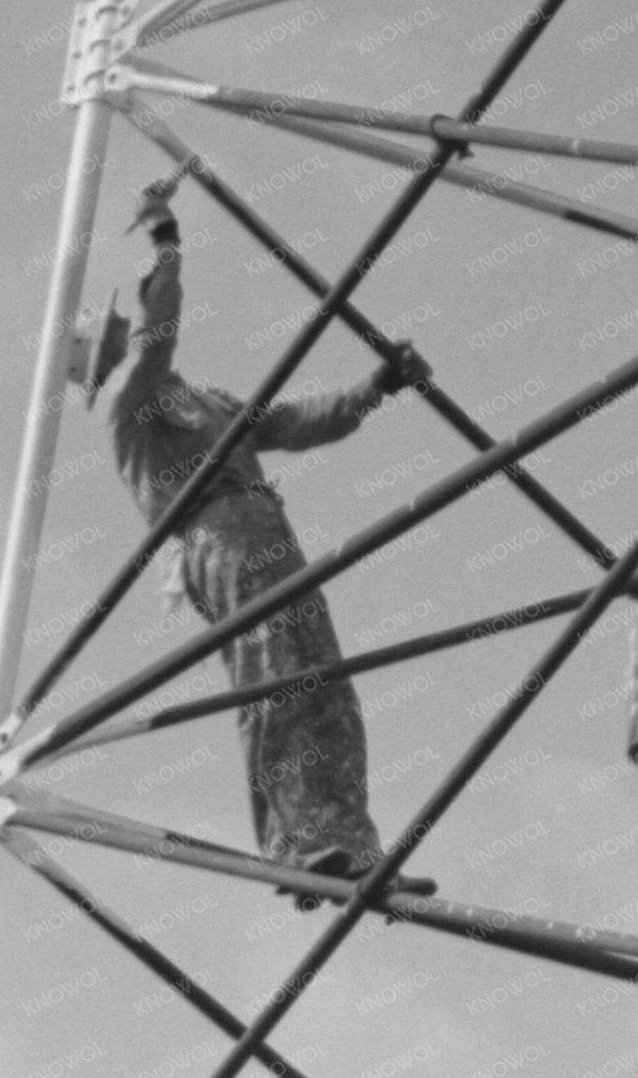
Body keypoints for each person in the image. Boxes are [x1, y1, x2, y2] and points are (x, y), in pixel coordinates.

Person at [80, 177, 427, 891]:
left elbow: (295, 422)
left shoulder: (200, 398)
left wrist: (375, 388)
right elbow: (160, 331)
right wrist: (167, 245)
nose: (122, 322)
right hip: (220, 540)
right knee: (275, 681)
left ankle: (348, 844)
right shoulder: (130, 400)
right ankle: (295, 843)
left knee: (323, 680)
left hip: (263, 527)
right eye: (114, 325)